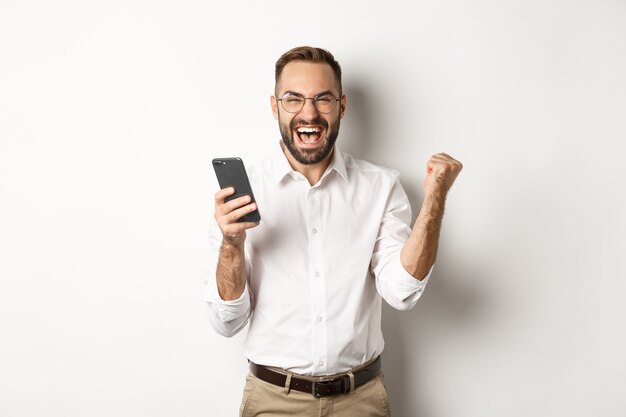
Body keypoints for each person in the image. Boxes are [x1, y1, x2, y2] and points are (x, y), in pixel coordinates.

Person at [204, 46, 462, 417]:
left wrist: (435, 197)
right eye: (294, 99)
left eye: (322, 99)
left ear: (341, 107)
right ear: (275, 107)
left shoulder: (381, 187)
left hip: (361, 401)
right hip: (273, 402)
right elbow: (226, 322)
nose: (309, 113)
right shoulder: (242, 195)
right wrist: (231, 243)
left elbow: (402, 292)